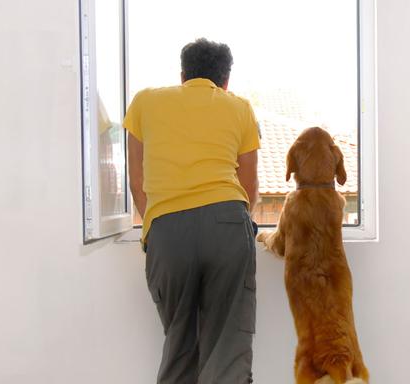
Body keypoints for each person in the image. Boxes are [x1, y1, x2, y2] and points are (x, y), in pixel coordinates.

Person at [124, 38, 259, 384]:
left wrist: (158, 223)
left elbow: (137, 180)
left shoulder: (144, 102)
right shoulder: (239, 107)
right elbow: (249, 186)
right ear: (225, 81)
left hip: (168, 231)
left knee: (179, 344)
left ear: (182, 75)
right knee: (227, 348)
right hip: (227, 223)